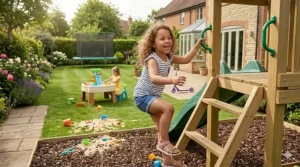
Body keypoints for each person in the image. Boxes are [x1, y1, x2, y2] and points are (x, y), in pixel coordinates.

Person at [133, 23, 204, 167]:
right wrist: (172, 80)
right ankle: (164, 142)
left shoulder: (169, 57)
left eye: (169, 38)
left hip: (152, 97)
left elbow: (185, 59)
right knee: (168, 108)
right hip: (142, 96)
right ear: (153, 43)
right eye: (162, 38)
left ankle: (167, 161)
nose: (167, 41)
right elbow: (154, 78)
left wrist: (197, 47)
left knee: (162, 128)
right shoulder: (152, 59)